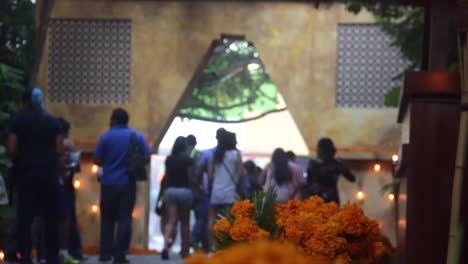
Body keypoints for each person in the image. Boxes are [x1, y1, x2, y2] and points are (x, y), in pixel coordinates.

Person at [7, 88, 64, 264]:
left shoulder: (18, 121)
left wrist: (20, 159)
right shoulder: (54, 122)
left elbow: (11, 149)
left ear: (26, 102)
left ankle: (25, 256)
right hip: (49, 174)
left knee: (25, 216)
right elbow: (59, 149)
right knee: (50, 217)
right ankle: (52, 256)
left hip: (26, 175)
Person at [94, 108, 151, 264]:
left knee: (107, 219)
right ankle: (120, 254)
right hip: (127, 182)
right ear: (127, 120)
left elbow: (97, 159)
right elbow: (147, 155)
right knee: (125, 219)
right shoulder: (135, 136)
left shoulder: (105, 137)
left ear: (113, 120)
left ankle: (105, 253)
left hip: (108, 183)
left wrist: (109, 162)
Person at [208, 131, 245, 247]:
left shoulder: (216, 155)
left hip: (216, 193)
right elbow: (241, 173)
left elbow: (210, 175)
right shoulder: (236, 154)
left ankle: (212, 248)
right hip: (230, 194)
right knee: (229, 221)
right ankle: (225, 248)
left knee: (213, 220)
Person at [161, 137, 194, 260]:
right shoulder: (188, 160)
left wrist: (164, 192)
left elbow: (167, 177)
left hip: (171, 191)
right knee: (185, 222)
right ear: (184, 147)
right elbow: (190, 178)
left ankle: (165, 247)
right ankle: (185, 251)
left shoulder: (169, 159)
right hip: (185, 191)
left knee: (171, 220)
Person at [305, 138, 356, 205]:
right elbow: (352, 178)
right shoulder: (336, 164)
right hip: (328, 199)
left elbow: (308, 181)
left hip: (319, 199)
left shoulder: (314, 164)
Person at [186, 135, 209, 252]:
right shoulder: (199, 154)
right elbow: (200, 172)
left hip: (183, 189)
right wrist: (200, 187)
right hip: (196, 190)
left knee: (183, 220)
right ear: (195, 143)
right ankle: (194, 239)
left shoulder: (181, 153)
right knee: (201, 217)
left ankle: (184, 246)